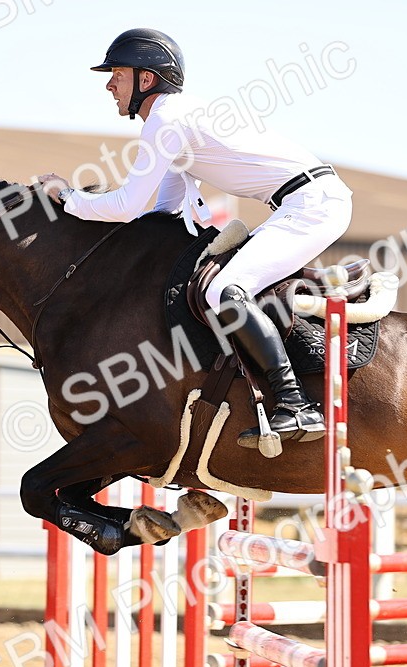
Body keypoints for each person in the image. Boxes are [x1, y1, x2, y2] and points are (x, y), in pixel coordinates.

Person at [39, 28, 353, 447]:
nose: (109, 83)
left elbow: (128, 205)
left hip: (313, 204)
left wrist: (66, 197)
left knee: (224, 288)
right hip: (303, 202)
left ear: (145, 80)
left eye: (116, 72)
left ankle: (295, 403)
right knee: (217, 284)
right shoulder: (174, 119)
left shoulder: (167, 120)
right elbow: (163, 208)